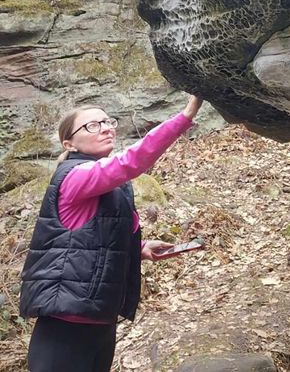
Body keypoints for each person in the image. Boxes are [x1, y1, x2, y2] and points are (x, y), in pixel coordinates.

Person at [19, 96, 204, 372]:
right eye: (92, 125)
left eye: (107, 121)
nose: (106, 128)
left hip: (99, 320)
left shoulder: (113, 185)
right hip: (64, 327)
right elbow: (133, 160)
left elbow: (94, 238)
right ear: (69, 144)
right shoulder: (75, 175)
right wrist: (186, 115)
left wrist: (139, 248)